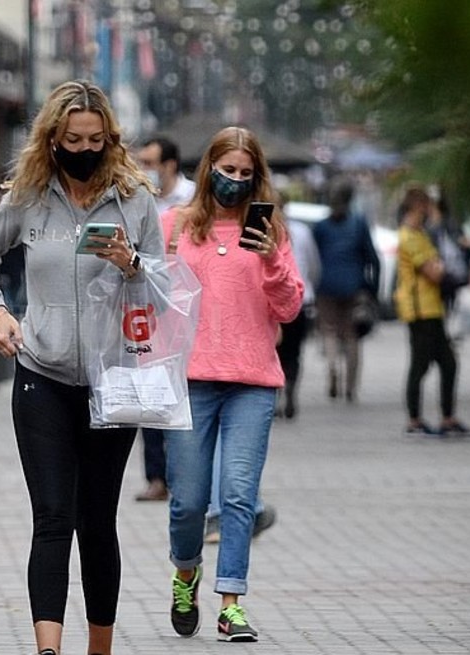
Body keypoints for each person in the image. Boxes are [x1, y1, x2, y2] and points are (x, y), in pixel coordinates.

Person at [0, 80, 162, 655]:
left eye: (96, 138)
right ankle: (48, 649)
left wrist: (133, 263)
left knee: (97, 521)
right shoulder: (28, 197)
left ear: (111, 139)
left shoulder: (135, 198)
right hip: (41, 374)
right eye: (73, 138)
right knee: (53, 517)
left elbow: (166, 289)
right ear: (53, 138)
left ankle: (100, 647)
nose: (84, 147)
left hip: (112, 380)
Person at [161, 126, 304, 643]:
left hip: (252, 381)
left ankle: (231, 604)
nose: (236, 180)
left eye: (246, 173)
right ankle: (185, 573)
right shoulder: (175, 225)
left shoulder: (272, 233)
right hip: (190, 380)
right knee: (189, 501)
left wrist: (269, 258)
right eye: (228, 170)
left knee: (239, 495)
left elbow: (289, 307)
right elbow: (149, 293)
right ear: (209, 170)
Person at [131, 136, 199, 503]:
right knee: (150, 389)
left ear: (171, 164)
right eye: (140, 162)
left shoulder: (194, 200)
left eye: (150, 162)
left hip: (186, 306)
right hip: (145, 307)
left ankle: (184, 475)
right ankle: (157, 477)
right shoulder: (137, 198)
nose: (144, 169)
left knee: (186, 391)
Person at [395, 186, 470, 436]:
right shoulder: (410, 237)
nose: (430, 211)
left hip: (432, 309)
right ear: (418, 207)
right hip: (420, 311)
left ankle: (447, 417)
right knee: (420, 364)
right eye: (427, 206)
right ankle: (414, 419)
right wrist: (440, 268)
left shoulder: (421, 234)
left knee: (448, 363)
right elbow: (434, 271)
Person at [311, 178, 379, 402]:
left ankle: (332, 367)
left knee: (329, 330)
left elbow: (314, 259)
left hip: (326, 285)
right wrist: (371, 290)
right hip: (354, 285)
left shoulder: (321, 227)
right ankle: (351, 386)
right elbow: (372, 258)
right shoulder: (359, 223)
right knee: (352, 336)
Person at [276, 191, 320, 419]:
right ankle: (290, 387)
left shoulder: (260, 232)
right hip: (300, 301)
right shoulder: (301, 231)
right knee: (293, 353)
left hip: (272, 304)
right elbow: (314, 265)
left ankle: (277, 394)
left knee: (274, 351)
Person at [137, 136, 197, 216]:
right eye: (140, 163)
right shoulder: (140, 198)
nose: (142, 169)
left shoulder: (193, 195)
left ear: (170, 166)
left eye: (148, 163)